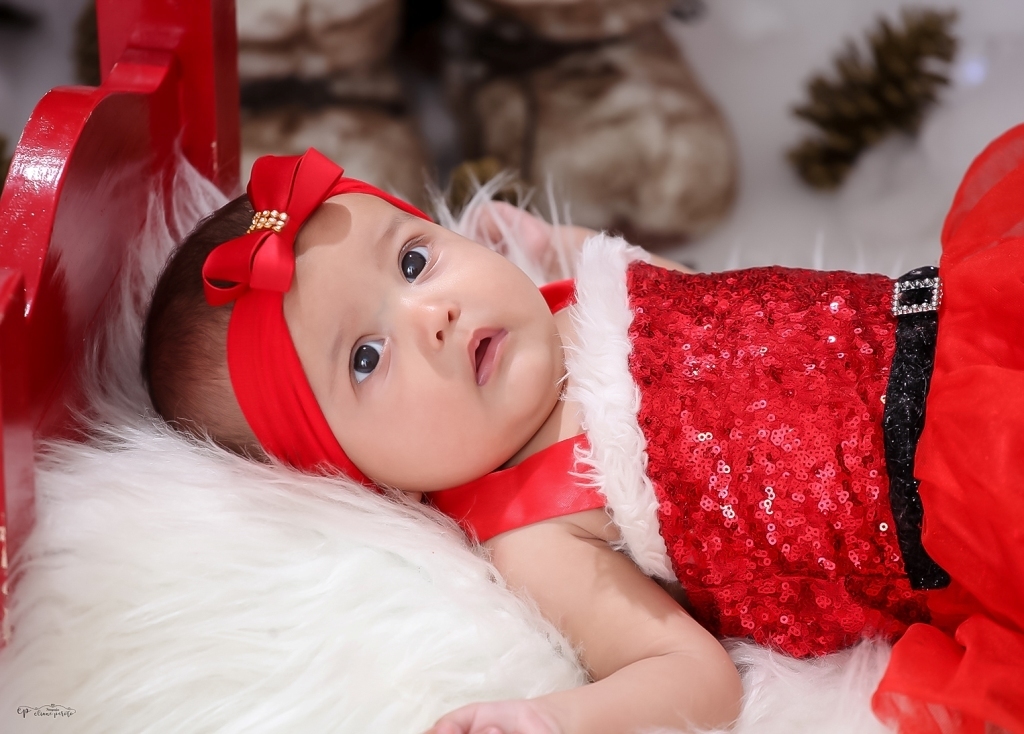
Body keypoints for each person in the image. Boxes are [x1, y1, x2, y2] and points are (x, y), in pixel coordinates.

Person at [143, 123, 1024, 734]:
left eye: (414, 260)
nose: (432, 315)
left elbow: (697, 299)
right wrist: (554, 718)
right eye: (366, 358)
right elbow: (696, 679)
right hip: (964, 502)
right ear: (355, 475)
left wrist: (556, 243)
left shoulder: (569, 300)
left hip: (960, 326)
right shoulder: (534, 527)